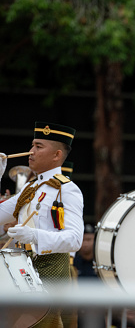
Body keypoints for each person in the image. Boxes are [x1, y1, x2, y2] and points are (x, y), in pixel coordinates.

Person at [0, 121, 84, 328]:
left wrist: (34, 235)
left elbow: (75, 240)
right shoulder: (31, 188)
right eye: (32, 145)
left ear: (56, 155)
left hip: (50, 267)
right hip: (23, 268)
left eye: (38, 146)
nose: (30, 152)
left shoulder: (67, 189)